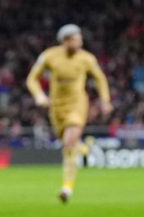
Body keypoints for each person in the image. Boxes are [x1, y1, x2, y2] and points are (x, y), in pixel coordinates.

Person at [26, 24, 112, 203]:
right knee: (69, 145)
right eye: (76, 38)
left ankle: (67, 187)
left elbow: (100, 78)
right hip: (56, 107)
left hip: (77, 104)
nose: (80, 41)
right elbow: (32, 78)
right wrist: (39, 96)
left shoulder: (87, 58)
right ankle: (85, 148)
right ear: (66, 40)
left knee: (68, 142)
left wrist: (105, 100)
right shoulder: (49, 56)